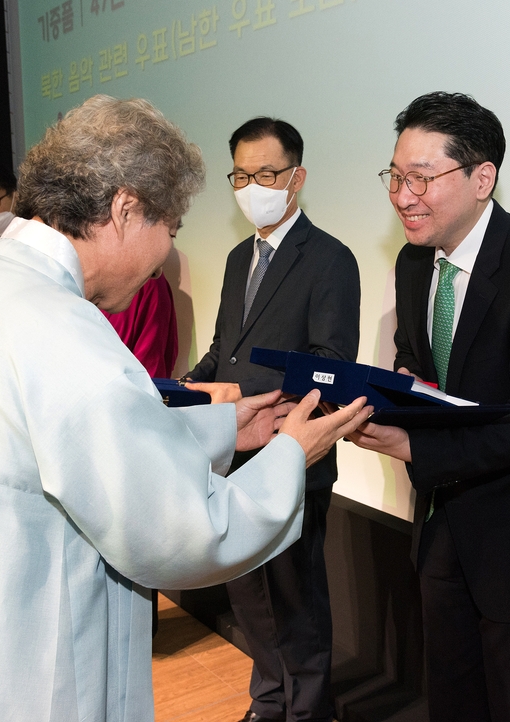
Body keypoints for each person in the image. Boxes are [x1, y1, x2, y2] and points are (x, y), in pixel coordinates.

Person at [0, 96, 372, 722]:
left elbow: (59, 446)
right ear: (125, 208)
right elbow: (180, 529)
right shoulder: (63, 329)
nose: (165, 254)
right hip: (13, 662)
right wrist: (293, 452)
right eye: (172, 231)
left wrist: (221, 427)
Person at [348, 92, 510, 722]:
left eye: (421, 178)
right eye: (395, 175)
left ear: (481, 178)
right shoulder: (416, 264)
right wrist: (393, 394)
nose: (402, 195)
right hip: (445, 526)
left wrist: (416, 445)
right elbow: (417, 360)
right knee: (453, 698)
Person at [184, 117, 361, 722]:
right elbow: (222, 350)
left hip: (292, 452)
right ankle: (269, 702)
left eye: (266, 173)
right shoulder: (239, 258)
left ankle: (309, 710)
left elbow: (329, 364)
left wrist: (237, 393)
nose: (251, 186)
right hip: (234, 453)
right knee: (248, 595)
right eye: (240, 174)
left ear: (297, 177)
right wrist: (185, 388)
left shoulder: (331, 259)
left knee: (295, 598)